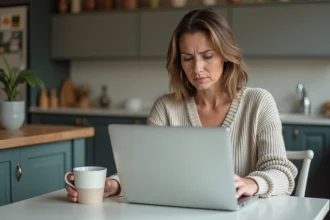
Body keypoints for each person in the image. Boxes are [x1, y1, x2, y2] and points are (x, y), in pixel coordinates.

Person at [65, 8, 298, 202]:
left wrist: (251, 183)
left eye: (207, 56)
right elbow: (146, 171)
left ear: (225, 56)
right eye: (188, 58)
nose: (196, 69)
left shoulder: (258, 103)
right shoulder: (165, 109)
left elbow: (282, 173)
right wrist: (114, 184)